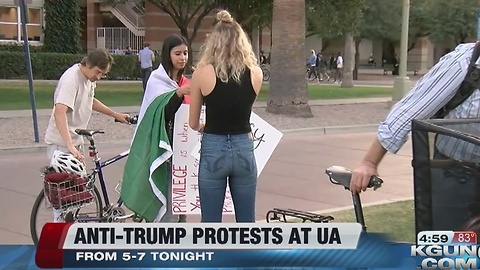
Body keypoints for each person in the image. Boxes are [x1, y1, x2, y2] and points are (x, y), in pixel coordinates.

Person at [349, 43, 480, 230]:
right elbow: (408, 112)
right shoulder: (464, 62)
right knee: (451, 252)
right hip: (456, 175)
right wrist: (369, 163)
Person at [189, 10, 263, 223]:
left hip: (214, 144)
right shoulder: (255, 73)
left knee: (210, 221)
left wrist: (203, 126)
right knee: (246, 220)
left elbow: (193, 123)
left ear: (214, 43)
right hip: (244, 144)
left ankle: (213, 254)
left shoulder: (202, 73)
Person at [44, 49, 130, 222]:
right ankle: (58, 240)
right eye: (98, 72)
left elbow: (90, 100)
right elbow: (59, 112)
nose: (99, 77)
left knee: (74, 197)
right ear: (88, 64)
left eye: (103, 75)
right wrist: (69, 145)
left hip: (74, 141)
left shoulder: (88, 79)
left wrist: (115, 115)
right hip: (61, 144)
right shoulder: (71, 79)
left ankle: (70, 235)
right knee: (64, 200)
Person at [121, 34, 191, 223]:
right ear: (168, 55)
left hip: (182, 148)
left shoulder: (185, 82)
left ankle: (179, 244)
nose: (182, 57)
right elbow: (162, 114)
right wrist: (178, 94)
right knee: (166, 202)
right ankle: (162, 246)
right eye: (177, 53)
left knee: (180, 202)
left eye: (185, 53)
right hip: (161, 147)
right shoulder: (157, 79)